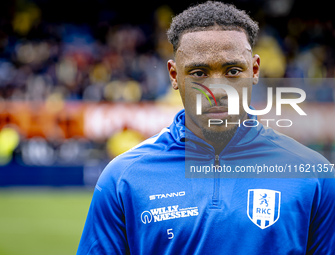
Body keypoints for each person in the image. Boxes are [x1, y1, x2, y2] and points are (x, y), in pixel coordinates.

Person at [77, 2, 335, 254]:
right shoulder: (123, 179)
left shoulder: (314, 176)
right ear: (174, 75)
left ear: (254, 70)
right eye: (199, 73)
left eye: (233, 71)